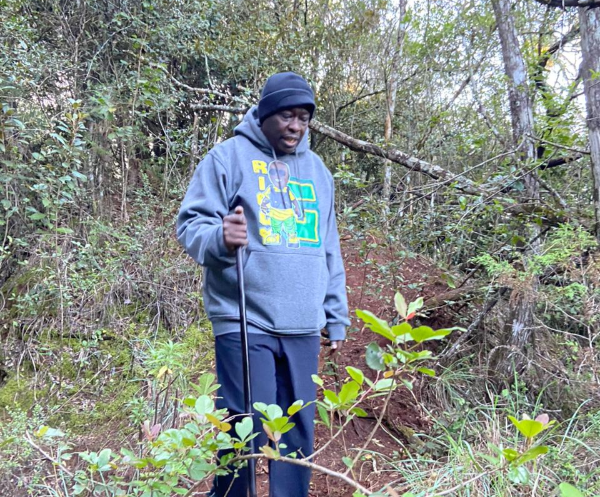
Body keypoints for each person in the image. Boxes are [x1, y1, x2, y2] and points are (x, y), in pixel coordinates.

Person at [177, 71, 350, 497]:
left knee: (296, 430)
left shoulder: (318, 172)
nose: (295, 126)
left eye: (304, 118)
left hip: (303, 323)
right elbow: (190, 224)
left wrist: (336, 314)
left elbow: (329, 245)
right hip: (243, 316)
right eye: (287, 116)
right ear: (265, 113)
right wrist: (219, 237)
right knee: (244, 424)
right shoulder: (227, 158)